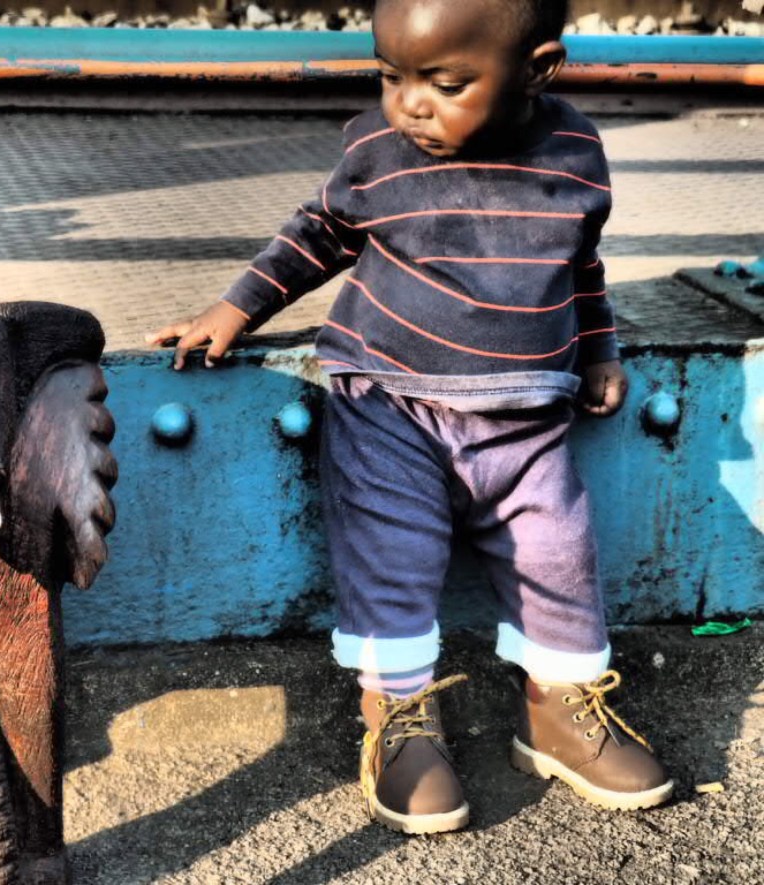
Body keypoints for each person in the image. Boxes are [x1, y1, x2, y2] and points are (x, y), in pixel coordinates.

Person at [146, 0, 674, 834]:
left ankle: (557, 713)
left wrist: (600, 350)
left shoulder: (575, 153)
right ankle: (398, 717)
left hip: (528, 423)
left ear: (537, 69)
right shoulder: (378, 152)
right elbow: (319, 234)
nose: (411, 104)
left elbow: (581, 264)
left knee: (560, 556)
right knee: (392, 558)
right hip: (390, 406)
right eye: (391, 76)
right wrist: (236, 307)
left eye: (446, 83)